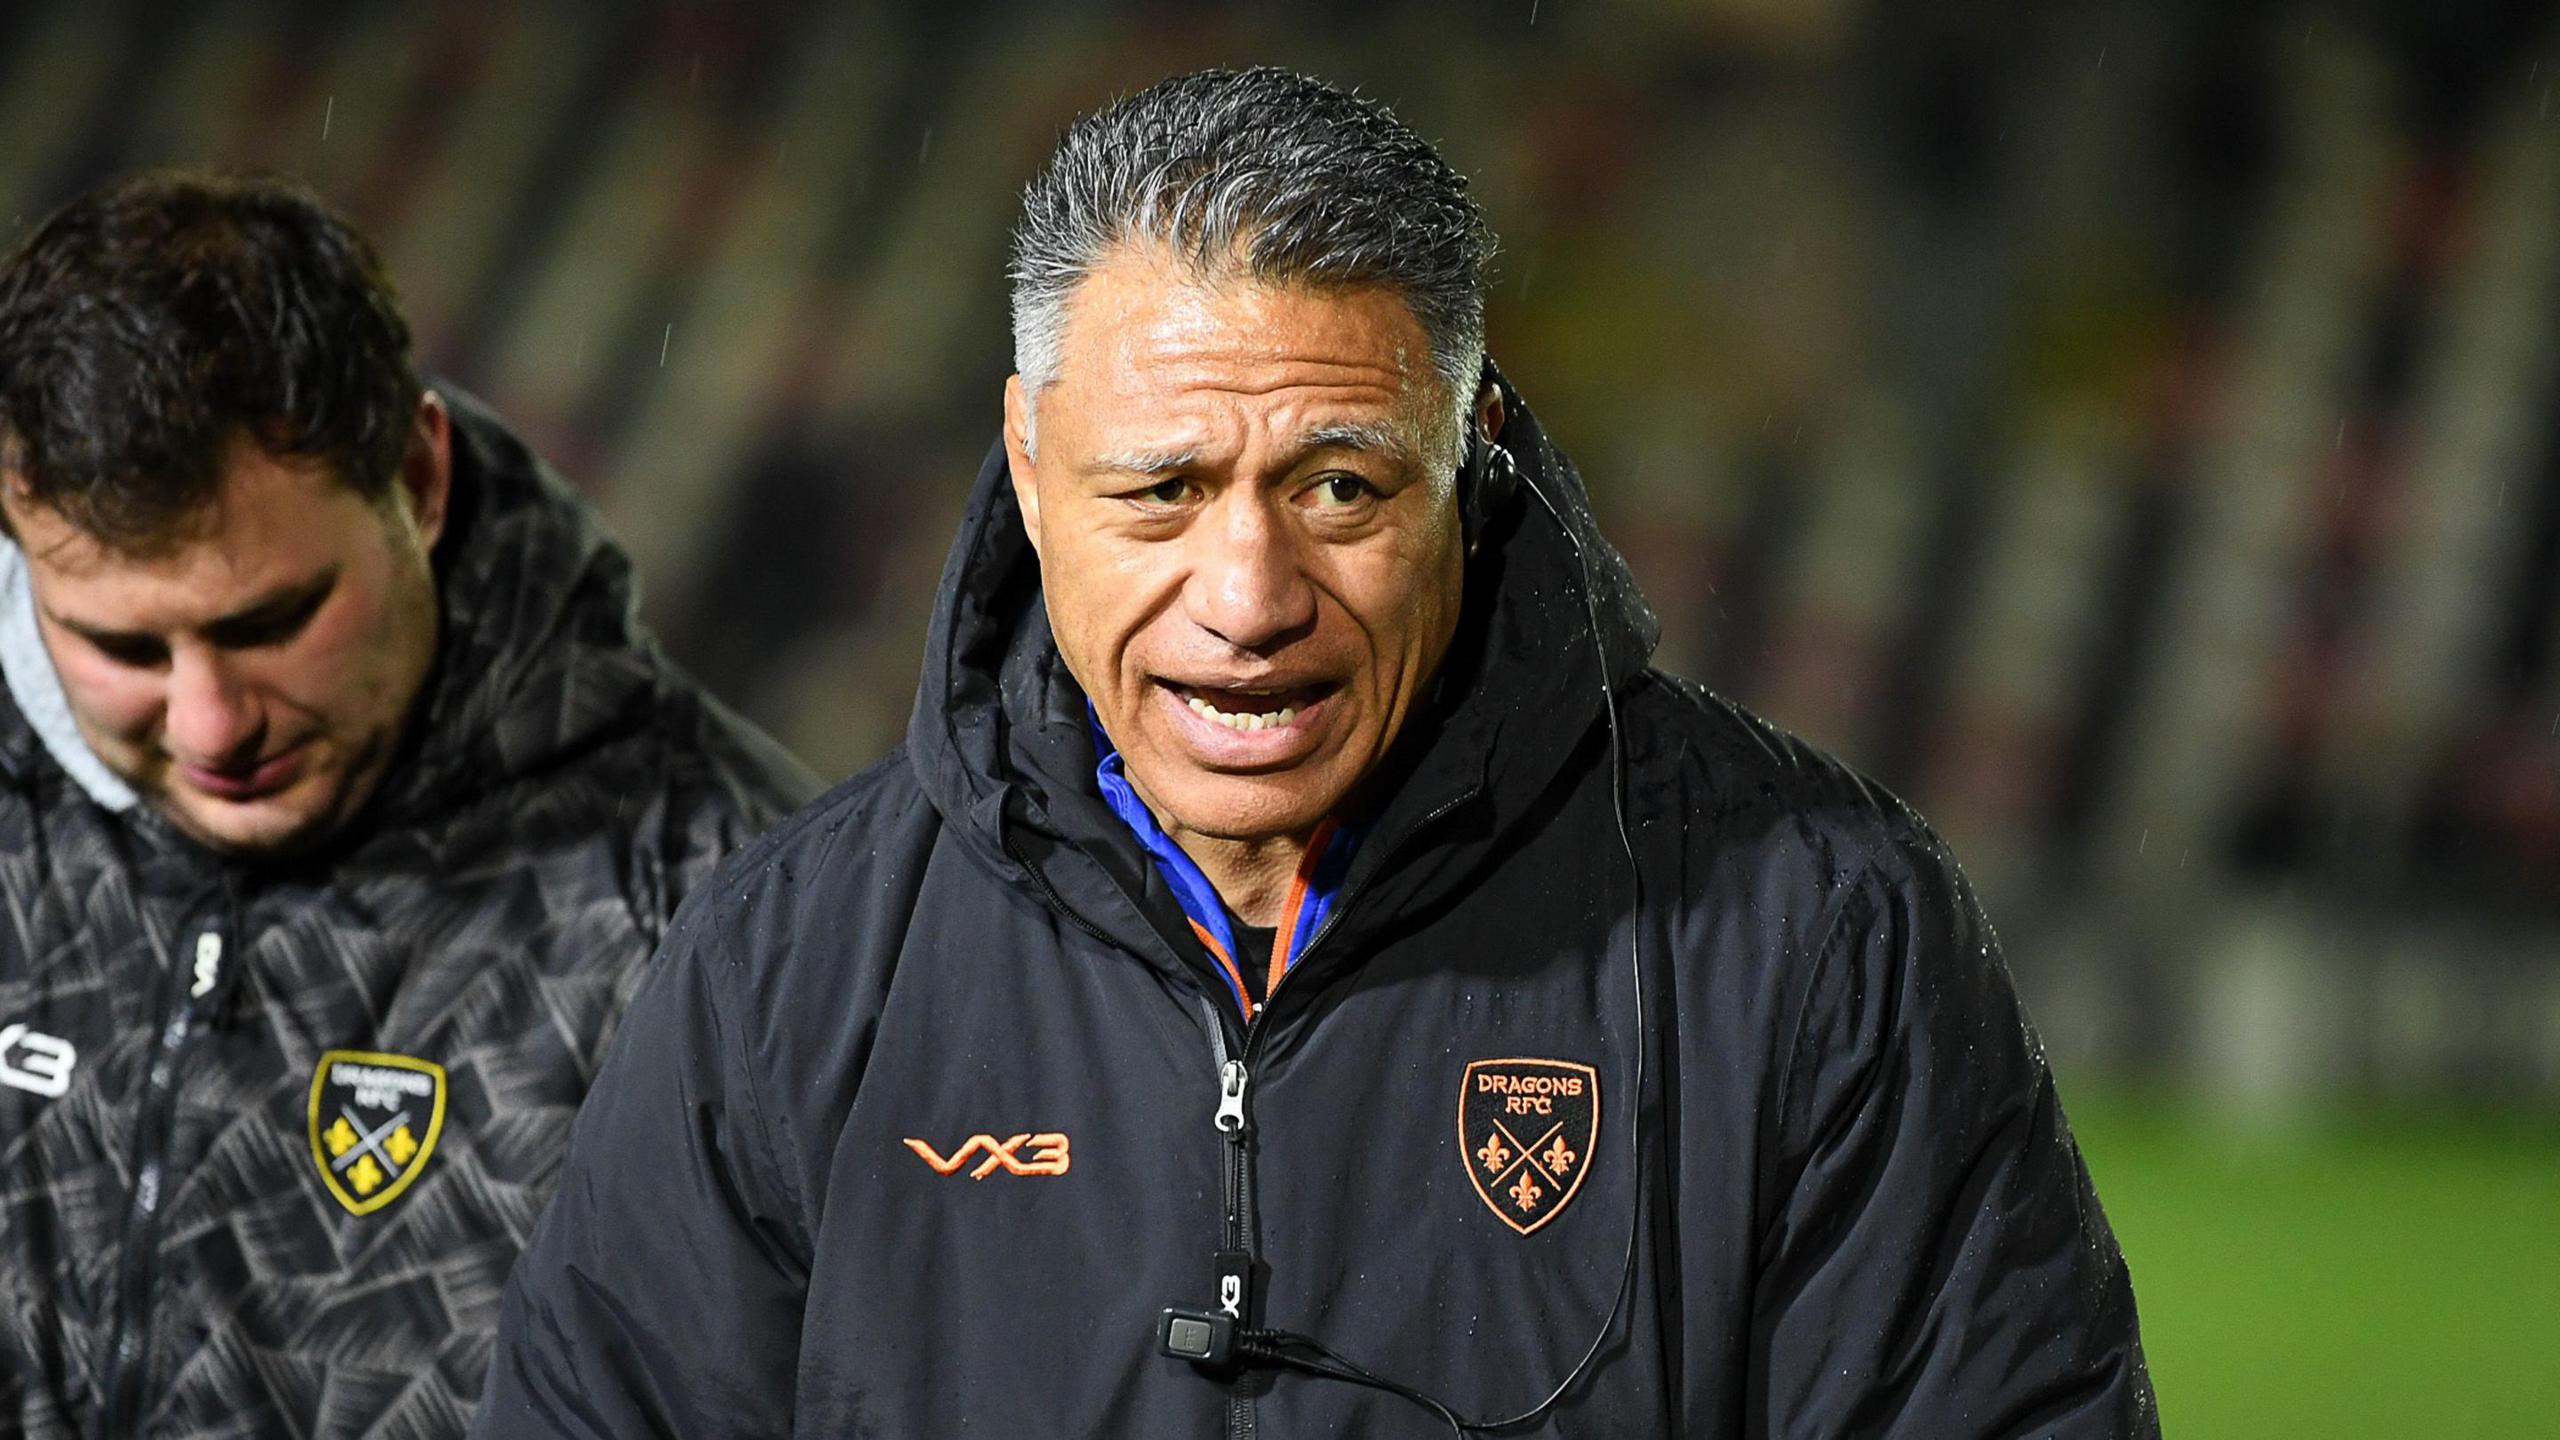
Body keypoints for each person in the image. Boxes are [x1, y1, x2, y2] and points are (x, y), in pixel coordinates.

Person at [479, 68, 2155, 1436]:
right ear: (1029, 460)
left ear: (1472, 456)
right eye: (1161, 492)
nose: (1249, 597)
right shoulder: (790, 964)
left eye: (1341, 487)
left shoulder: (1815, 936)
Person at [0, 170, 815, 1438]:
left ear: (420, 481)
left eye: (271, 621)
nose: (211, 723)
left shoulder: (734, 910)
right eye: (124, 649)